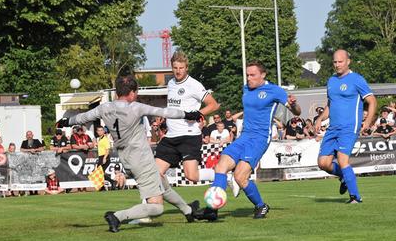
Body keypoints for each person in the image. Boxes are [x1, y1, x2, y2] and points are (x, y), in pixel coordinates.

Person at [56, 75, 201, 233]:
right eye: (136, 92)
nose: (136, 95)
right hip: (141, 159)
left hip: (125, 158)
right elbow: (165, 111)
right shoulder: (136, 107)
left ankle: (188, 211)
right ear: (132, 93)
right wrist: (189, 115)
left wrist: (65, 122)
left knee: (162, 183)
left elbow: (83, 117)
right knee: (157, 207)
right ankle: (117, 216)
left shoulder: (104, 108)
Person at [195, 61, 301, 221]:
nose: (249, 78)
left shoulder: (274, 90)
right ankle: (212, 210)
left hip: (259, 139)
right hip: (244, 136)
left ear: (263, 75)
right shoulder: (246, 88)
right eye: (247, 75)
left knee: (240, 176)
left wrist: (294, 105)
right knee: (220, 166)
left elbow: (297, 112)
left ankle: (261, 206)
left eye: (252, 75)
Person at [314, 49, 377, 204]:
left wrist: (367, 121)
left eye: (340, 61)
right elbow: (330, 104)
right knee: (323, 163)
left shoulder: (356, 79)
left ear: (348, 61)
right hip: (332, 128)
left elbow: (372, 101)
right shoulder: (331, 81)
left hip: (349, 127)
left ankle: (355, 197)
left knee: (342, 160)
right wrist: (320, 119)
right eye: (335, 62)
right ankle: (343, 176)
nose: (337, 65)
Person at [155, 51, 220, 184]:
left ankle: (224, 177)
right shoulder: (171, 83)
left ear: (186, 68)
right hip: (171, 136)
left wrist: (198, 114)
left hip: (189, 136)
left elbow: (213, 105)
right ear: (172, 67)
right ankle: (151, 204)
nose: (178, 71)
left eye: (181, 68)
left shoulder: (194, 85)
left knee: (191, 176)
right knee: (155, 174)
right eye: (175, 68)